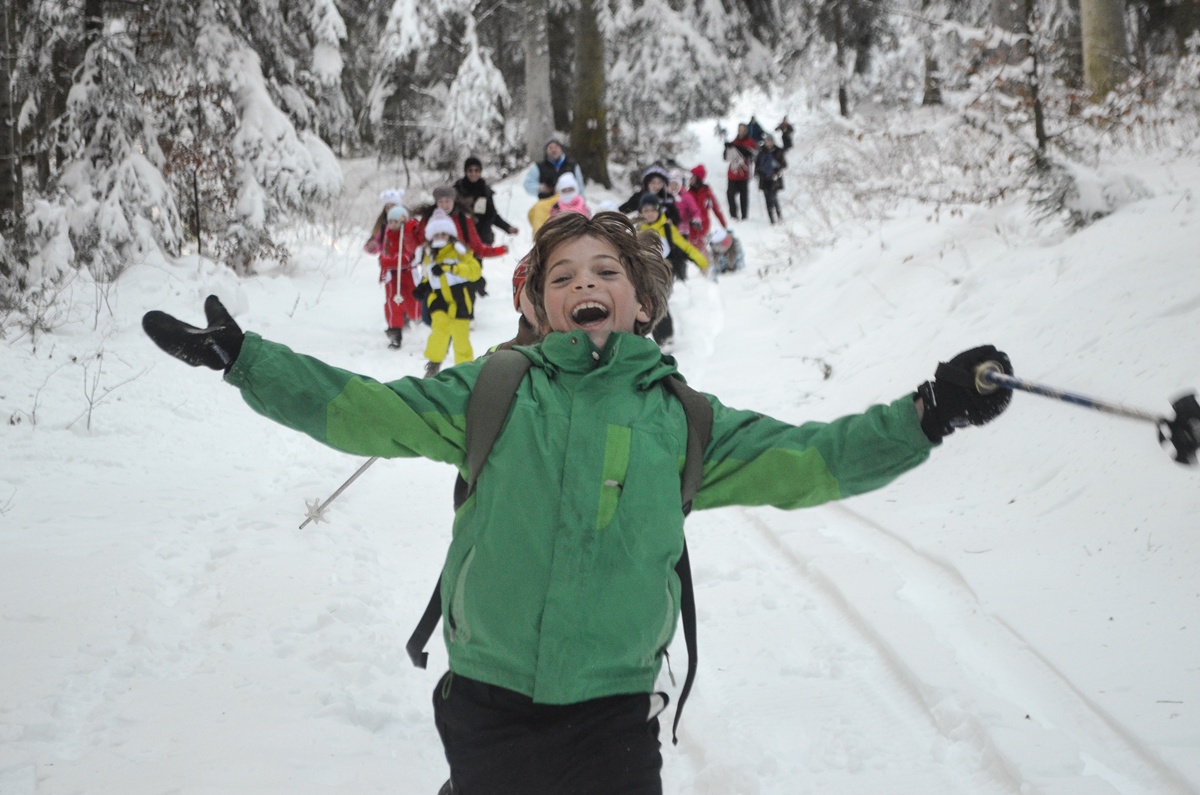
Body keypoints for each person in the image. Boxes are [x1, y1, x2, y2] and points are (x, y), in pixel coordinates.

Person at [141, 210, 1013, 794]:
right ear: (538, 305)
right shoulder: (496, 389)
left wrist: (928, 412)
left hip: (612, 714)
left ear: (641, 303)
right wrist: (248, 361)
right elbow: (364, 410)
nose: (584, 282)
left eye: (606, 271)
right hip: (487, 699)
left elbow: (816, 459)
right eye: (561, 276)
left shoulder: (687, 420)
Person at [412, 210, 483, 376]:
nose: (440, 237)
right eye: (436, 234)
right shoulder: (428, 253)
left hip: (460, 298)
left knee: (460, 336)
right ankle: (434, 363)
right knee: (440, 330)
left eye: (444, 233)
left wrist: (450, 268)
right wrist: (423, 286)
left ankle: (466, 371)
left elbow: (475, 271)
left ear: (450, 234)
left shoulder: (460, 251)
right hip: (439, 298)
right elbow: (427, 274)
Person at [636, 193, 708, 285]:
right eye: (646, 210)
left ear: (659, 211)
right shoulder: (639, 230)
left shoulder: (667, 228)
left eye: (653, 210)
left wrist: (702, 263)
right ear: (641, 212)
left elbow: (685, 247)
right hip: (648, 274)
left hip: (670, 272)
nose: (650, 214)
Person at [377, 204, 422, 348]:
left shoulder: (408, 234)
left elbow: (405, 259)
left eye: (396, 221)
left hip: (407, 276)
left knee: (413, 304)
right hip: (392, 278)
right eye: (390, 221)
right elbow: (388, 255)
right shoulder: (389, 236)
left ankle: (419, 320)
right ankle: (394, 333)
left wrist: (385, 262)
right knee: (392, 305)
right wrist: (386, 265)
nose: (392, 224)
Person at [454, 156, 518, 246]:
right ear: (466, 172)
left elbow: (493, 215)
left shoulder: (485, 191)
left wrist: (507, 227)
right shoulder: (457, 190)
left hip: (481, 238)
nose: (473, 173)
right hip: (462, 237)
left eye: (477, 170)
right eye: (470, 170)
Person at [724, 124, 757, 221]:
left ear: (747, 131)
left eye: (743, 130)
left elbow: (749, 153)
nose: (741, 132)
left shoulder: (750, 142)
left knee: (744, 196)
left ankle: (744, 216)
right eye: (739, 130)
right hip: (732, 174)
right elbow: (726, 157)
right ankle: (733, 215)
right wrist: (726, 148)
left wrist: (734, 146)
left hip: (743, 174)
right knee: (730, 194)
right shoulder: (735, 141)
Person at [686, 165, 728, 242]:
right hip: (690, 226)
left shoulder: (706, 193)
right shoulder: (688, 193)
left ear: (698, 178)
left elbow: (716, 208)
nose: (690, 178)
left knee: (700, 246)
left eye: (693, 176)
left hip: (703, 226)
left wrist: (724, 225)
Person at [667, 170, 704, 252]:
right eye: (671, 184)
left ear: (679, 185)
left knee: (680, 252)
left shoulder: (686, 196)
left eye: (675, 185)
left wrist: (696, 219)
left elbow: (694, 210)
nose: (673, 187)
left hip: (682, 230)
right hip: (667, 230)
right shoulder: (666, 197)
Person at [755, 134, 787, 225]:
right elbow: (757, 166)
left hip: (775, 179)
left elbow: (784, 164)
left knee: (773, 197)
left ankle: (779, 215)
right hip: (764, 179)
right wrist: (758, 173)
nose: (768, 143)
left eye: (770, 141)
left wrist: (777, 171)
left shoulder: (778, 151)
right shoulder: (761, 152)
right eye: (767, 141)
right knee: (767, 198)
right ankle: (771, 219)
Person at [363, 188, 406, 256]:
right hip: (387, 262)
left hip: (403, 261)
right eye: (387, 207)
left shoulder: (406, 223)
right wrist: (373, 245)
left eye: (393, 207)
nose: (390, 210)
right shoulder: (383, 224)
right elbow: (378, 241)